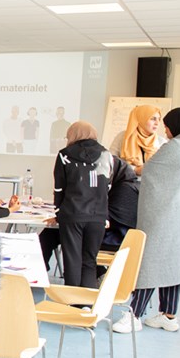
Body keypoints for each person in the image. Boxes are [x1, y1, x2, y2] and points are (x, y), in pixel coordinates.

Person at [113, 107, 180, 334]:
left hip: (166, 216)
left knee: (151, 262)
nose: (165, 129)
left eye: (167, 125)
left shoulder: (176, 148)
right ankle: (168, 315)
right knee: (173, 264)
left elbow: (150, 170)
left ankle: (134, 315)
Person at [53, 121, 113, 288]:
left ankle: (72, 300)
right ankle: (87, 300)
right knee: (90, 261)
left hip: (72, 214)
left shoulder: (64, 155)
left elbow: (59, 187)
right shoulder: (106, 154)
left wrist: (58, 211)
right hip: (98, 215)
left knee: (72, 260)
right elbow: (108, 185)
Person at [109, 104, 167, 176]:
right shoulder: (123, 137)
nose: (157, 123)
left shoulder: (161, 142)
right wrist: (134, 169)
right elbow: (111, 161)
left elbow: (165, 168)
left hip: (151, 182)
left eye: (159, 119)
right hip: (126, 180)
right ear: (141, 119)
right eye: (153, 119)